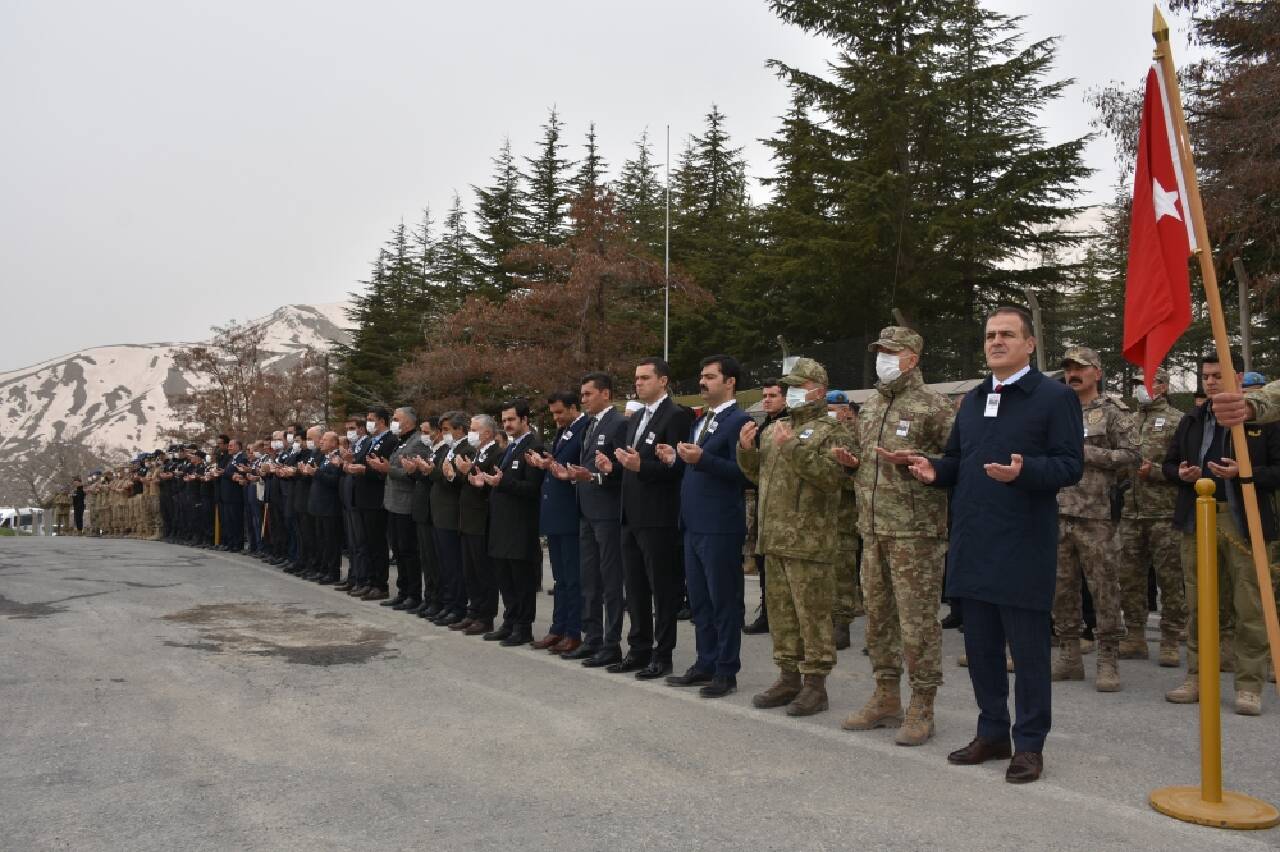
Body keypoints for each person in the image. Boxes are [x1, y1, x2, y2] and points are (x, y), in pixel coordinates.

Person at [906, 306, 1083, 784]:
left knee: (1027, 655)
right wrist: (933, 470)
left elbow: (1070, 466)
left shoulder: (1053, 397)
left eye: (1007, 334)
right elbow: (958, 460)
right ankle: (992, 732)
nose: (996, 342)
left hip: (1023, 543)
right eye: (990, 335)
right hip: (973, 540)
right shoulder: (973, 398)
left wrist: (1026, 472)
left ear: (1029, 344)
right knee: (980, 649)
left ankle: (1029, 745)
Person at [835, 326, 955, 746]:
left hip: (915, 533)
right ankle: (886, 696)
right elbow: (866, 462)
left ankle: (923, 704)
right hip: (873, 530)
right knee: (879, 619)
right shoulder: (870, 407)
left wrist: (927, 462)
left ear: (912, 358)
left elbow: (957, 462)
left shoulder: (934, 406)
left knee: (918, 623)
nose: (882, 357)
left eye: (890, 351)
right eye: (879, 351)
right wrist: (850, 464)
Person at [1162, 354, 1278, 716]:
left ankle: (1248, 685)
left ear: (1238, 377)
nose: (1210, 382)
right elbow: (1168, 463)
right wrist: (1181, 472)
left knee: (1249, 605)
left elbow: (1277, 471)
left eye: (1218, 375)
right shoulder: (1193, 419)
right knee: (1200, 605)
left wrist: (1246, 472)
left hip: (1244, 519)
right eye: (1205, 376)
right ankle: (1198, 677)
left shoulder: (1265, 420)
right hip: (1198, 517)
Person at [738, 357, 846, 717]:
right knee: (782, 615)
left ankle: (816, 686)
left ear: (819, 390)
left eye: (799, 386)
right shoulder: (775, 428)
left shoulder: (833, 430)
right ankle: (788, 676)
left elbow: (833, 479)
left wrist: (793, 449)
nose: (793, 393)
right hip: (775, 537)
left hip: (808, 541)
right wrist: (747, 450)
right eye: (791, 387)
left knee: (812, 615)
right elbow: (759, 477)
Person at [596, 357, 694, 680]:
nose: (638, 383)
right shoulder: (636, 418)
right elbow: (630, 464)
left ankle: (662, 654)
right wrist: (613, 469)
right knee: (635, 589)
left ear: (663, 381)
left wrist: (643, 467)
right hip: (630, 515)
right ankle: (637, 649)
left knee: (662, 590)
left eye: (645, 378)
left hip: (658, 516)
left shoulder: (676, 416)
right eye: (636, 378)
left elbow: (677, 469)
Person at [660, 354, 752, 698]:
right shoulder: (703, 420)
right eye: (702, 376)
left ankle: (726, 670)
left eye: (710, 377)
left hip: (719, 526)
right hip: (694, 524)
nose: (702, 382)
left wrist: (703, 459)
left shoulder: (739, 420)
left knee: (724, 599)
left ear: (729, 382)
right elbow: (697, 468)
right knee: (699, 601)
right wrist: (676, 459)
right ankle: (705, 662)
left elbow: (744, 473)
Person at [1050, 347, 1139, 693]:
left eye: (1081, 368)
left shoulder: (1114, 412)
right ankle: (1069, 657)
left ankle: (1107, 659)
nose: (1073, 374)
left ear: (1097, 373)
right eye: (1069, 368)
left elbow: (1133, 455)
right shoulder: (1056, 411)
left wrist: (1089, 453)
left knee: (1103, 590)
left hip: (1097, 516)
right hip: (1057, 512)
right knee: (1061, 589)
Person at [555, 372, 629, 667]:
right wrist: (572, 475)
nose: (583, 399)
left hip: (608, 513)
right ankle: (592, 637)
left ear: (606, 394)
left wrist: (596, 475)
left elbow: (621, 472)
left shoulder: (620, 424)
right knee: (590, 581)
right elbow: (589, 466)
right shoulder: (591, 425)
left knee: (611, 582)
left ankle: (611, 643)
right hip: (585, 511)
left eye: (587, 394)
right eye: (582, 394)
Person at [1118, 368, 1186, 666]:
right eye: (1137, 384)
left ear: (1163, 386)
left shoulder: (1179, 420)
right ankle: (1135, 636)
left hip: (1164, 512)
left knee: (1171, 579)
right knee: (1130, 578)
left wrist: (1155, 473)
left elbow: (1186, 467)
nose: (1141, 389)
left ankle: (1171, 638)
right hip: (1131, 512)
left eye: (1147, 383)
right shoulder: (1128, 421)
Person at [527, 391, 587, 655]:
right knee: (561, 579)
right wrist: (546, 464)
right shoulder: (564, 431)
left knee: (572, 579)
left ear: (574, 408)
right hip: (556, 514)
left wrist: (554, 465)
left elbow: (578, 467)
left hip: (571, 513)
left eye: (560, 412)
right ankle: (558, 628)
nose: (556, 417)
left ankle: (574, 631)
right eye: (552, 413)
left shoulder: (584, 428)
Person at [483, 399, 545, 646]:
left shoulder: (534, 447)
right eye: (504, 420)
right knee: (505, 578)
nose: (506, 424)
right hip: (502, 525)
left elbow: (532, 488)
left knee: (522, 581)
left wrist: (503, 483)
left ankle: (523, 627)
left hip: (520, 526)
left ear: (524, 420)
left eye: (511, 419)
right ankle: (509, 621)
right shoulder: (510, 447)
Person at [743, 379, 787, 636]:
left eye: (772, 395)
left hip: (783, 507)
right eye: (764, 395)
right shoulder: (763, 426)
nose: (767, 400)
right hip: (763, 501)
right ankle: (768, 612)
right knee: (762, 560)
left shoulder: (788, 425)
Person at [371, 407, 426, 610]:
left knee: (408, 550)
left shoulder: (418, 441)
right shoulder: (401, 441)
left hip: (406, 503)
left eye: (396, 419)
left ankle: (413, 594)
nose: (393, 422)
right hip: (392, 502)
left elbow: (412, 474)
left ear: (409, 422)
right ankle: (403, 592)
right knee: (399, 550)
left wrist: (388, 469)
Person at [452, 414, 501, 636]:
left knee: (483, 572)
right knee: (469, 571)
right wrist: (461, 473)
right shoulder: (477, 452)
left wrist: (467, 472)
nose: (470, 433)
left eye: (474, 429)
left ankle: (485, 616)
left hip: (482, 520)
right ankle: (473, 611)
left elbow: (488, 484)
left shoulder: (495, 453)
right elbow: (469, 481)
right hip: (467, 519)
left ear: (488, 433)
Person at [347, 408, 398, 601]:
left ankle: (380, 584)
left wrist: (363, 470)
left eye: (371, 420)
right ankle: (369, 581)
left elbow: (382, 469)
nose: (368, 423)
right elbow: (364, 463)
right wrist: (352, 464)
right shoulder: (371, 441)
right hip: (363, 497)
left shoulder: (390, 440)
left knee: (377, 544)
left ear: (382, 421)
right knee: (367, 543)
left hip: (376, 498)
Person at [428, 412, 469, 626]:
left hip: (452, 515)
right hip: (440, 513)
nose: (444, 434)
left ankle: (457, 606)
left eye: (447, 430)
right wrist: (434, 471)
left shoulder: (466, 449)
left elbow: (456, 480)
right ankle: (449, 603)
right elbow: (440, 475)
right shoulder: (449, 449)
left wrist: (446, 474)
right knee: (444, 564)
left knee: (454, 565)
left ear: (460, 430)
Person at [404, 416, 445, 618]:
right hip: (422, 509)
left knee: (435, 561)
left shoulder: (444, 450)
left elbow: (436, 478)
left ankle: (438, 600)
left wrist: (427, 471)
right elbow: (423, 478)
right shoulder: (431, 451)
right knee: (426, 560)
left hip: (433, 511)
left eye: (427, 432)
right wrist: (414, 471)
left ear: (438, 432)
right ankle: (430, 598)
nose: (424, 436)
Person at [308, 430, 344, 583]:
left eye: (325, 439)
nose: (321, 442)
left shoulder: (337, 457)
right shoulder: (324, 457)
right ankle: (323, 569)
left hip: (330, 506)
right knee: (321, 540)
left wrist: (316, 473)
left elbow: (334, 481)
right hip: (319, 505)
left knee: (331, 542)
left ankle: (332, 572)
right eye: (321, 439)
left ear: (334, 443)